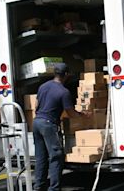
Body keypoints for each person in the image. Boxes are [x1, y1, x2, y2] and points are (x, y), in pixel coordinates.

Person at [33, 63, 90, 191]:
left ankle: (38, 186)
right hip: (49, 124)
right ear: (66, 75)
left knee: (41, 157)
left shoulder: (43, 86)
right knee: (56, 156)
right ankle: (54, 188)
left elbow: (36, 105)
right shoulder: (64, 92)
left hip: (37, 122)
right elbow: (71, 113)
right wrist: (82, 115)